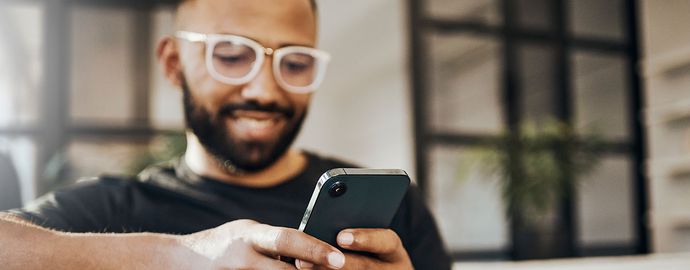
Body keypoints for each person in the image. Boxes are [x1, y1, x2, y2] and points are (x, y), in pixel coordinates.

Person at [0, 0, 452, 269]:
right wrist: (176, 258)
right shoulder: (107, 208)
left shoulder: (390, 209)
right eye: (232, 56)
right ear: (174, 64)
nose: (264, 89)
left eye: (294, 64)